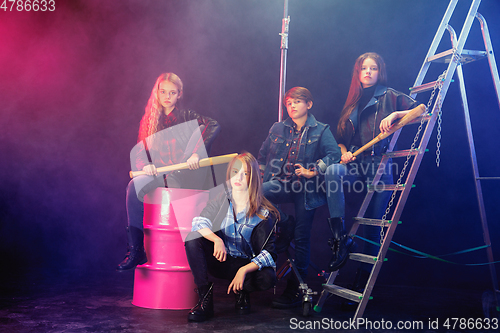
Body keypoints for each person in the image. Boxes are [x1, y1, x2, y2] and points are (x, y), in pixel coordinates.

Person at [325, 52, 419, 283]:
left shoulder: (389, 95)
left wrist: (397, 114)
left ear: (380, 72)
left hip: (380, 165)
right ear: (357, 73)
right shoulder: (352, 103)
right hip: (356, 164)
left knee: (372, 224)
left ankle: (363, 278)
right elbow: (340, 139)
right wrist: (344, 151)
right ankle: (341, 239)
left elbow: (422, 109)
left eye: (373, 68)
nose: (368, 72)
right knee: (332, 171)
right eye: (364, 68)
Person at [117, 72, 220, 272]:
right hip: (157, 174)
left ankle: (198, 254)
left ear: (179, 94)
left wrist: (196, 154)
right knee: (133, 186)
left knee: (174, 190)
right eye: (163, 92)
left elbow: (214, 125)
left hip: (182, 173)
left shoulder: (186, 116)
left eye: (172, 93)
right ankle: (136, 249)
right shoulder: (148, 121)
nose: (167, 96)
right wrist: (144, 165)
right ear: (157, 93)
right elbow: (140, 152)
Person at [258, 87, 341, 308]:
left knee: (302, 237)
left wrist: (313, 170)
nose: (292, 106)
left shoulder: (321, 130)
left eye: (297, 101)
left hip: (306, 189)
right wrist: (258, 176)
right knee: (258, 193)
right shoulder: (278, 128)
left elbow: (334, 155)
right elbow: (262, 155)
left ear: (309, 105)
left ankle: (295, 289)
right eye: (288, 103)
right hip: (280, 183)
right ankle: (285, 221)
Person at [184, 152, 279, 322]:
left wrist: (243, 270)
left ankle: (242, 291)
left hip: (246, 264)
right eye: (236, 172)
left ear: (253, 178)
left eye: (245, 173)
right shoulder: (221, 198)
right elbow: (199, 222)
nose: (239, 177)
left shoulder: (264, 213)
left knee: (268, 277)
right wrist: (216, 239)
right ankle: (205, 299)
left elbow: (269, 253)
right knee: (192, 238)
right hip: (222, 260)